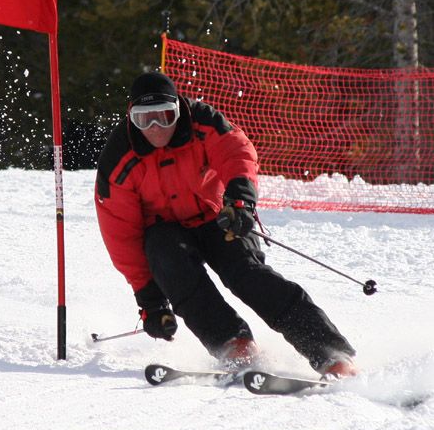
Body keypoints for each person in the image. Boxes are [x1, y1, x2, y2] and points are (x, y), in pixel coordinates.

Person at [95, 71, 356, 378]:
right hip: (167, 232)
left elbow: (237, 152)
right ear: (131, 118)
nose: (155, 128)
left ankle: (329, 350)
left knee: (246, 274)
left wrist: (240, 201)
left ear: (178, 110)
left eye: (165, 117)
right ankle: (233, 343)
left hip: (219, 216)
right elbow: (121, 236)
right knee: (166, 256)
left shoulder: (202, 122)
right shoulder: (118, 159)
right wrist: (150, 300)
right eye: (145, 119)